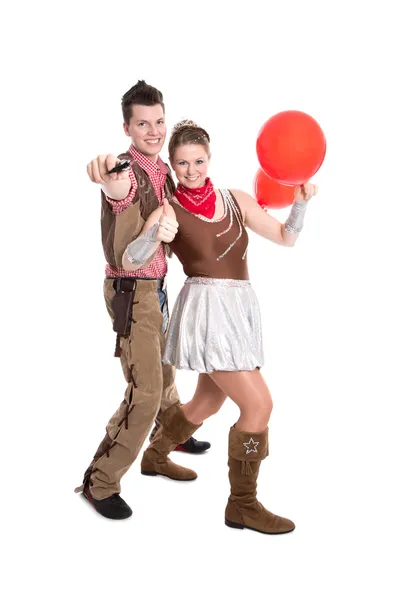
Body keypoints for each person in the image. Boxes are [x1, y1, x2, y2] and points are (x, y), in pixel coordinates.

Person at [122, 120, 318, 534]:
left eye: (198, 160)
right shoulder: (168, 208)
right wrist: (157, 233)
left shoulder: (236, 200)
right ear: (172, 165)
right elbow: (132, 260)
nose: (191, 170)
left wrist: (299, 203)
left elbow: (286, 238)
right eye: (181, 163)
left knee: (208, 402)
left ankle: (156, 454)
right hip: (206, 314)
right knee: (259, 405)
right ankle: (242, 504)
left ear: (208, 159)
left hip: (239, 309)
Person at [75, 86, 210, 521]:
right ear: (126, 128)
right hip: (133, 293)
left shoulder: (162, 168)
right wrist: (111, 178)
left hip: (157, 288)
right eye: (142, 124)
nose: (152, 131)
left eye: (158, 122)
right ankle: (100, 483)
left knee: (167, 370)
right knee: (146, 391)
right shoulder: (127, 172)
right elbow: (117, 194)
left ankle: (166, 440)